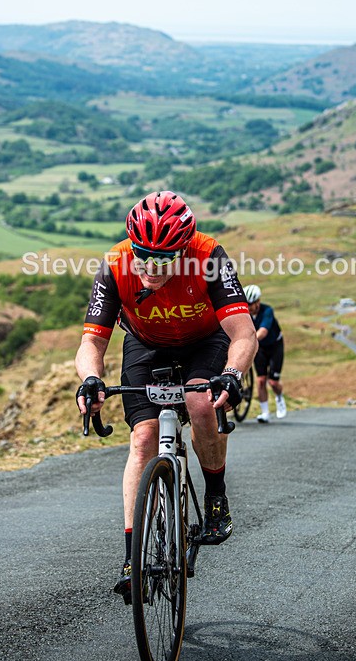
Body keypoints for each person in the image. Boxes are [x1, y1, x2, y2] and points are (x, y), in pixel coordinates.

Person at [75, 191, 257, 604]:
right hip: (146, 342)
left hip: (204, 342)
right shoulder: (117, 263)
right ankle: (130, 559)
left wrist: (231, 374)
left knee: (199, 402)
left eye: (163, 260)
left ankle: (215, 495)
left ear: (184, 250)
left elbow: (243, 334)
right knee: (143, 437)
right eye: (143, 255)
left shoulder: (208, 256)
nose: (150, 268)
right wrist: (90, 379)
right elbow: (91, 342)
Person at [243, 284, 287, 423]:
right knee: (261, 380)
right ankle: (265, 413)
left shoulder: (267, 311)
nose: (249, 307)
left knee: (273, 382)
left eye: (251, 304)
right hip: (260, 347)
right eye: (247, 304)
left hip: (275, 346)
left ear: (258, 302)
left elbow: (263, 331)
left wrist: (249, 341)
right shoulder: (245, 313)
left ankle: (279, 397)